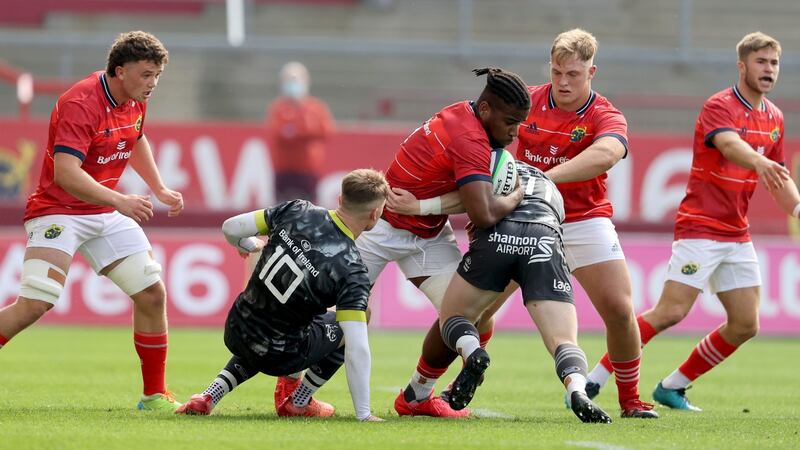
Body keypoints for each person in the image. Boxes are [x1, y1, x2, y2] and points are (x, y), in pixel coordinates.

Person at [390, 29, 657, 418]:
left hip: (583, 218)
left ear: (592, 72)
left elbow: (607, 153)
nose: (563, 82)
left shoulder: (605, 114)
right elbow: (477, 148)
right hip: (522, 217)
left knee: (619, 310)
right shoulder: (524, 101)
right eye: (557, 72)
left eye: (573, 75)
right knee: (472, 315)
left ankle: (630, 399)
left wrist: (545, 177)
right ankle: (428, 389)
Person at [586, 32, 800, 412]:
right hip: (700, 226)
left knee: (746, 324)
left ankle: (673, 386)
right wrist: (760, 160)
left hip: (737, 232)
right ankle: (595, 379)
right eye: (761, 62)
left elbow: (779, 180)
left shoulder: (775, 119)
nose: (769, 70)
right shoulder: (719, 105)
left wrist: (797, 209)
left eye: (774, 63)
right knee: (671, 311)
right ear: (742, 65)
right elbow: (730, 145)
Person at [0, 31, 184, 411]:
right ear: (120, 71)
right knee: (35, 304)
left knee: (152, 294)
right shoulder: (81, 102)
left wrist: (160, 188)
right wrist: (121, 200)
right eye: (146, 75)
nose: (152, 84)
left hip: (101, 211)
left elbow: (135, 139)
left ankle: (154, 395)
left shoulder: (133, 99)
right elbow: (66, 173)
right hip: (58, 210)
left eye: (157, 76)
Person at [354, 67, 529, 418]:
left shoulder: (464, 114)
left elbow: (468, 196)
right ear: (485, 110)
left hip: (427, 234)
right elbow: (482, 212)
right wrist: (515, 195)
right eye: (510, 122)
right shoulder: (471, 140)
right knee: (334, 314)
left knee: (473, 316)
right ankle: (296, 388)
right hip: (379, 227)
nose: (514, 133)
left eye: (519, 124)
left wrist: (421, 207)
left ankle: (417, 396)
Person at [176, 169, 388, 422]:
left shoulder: (298, 210)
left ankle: (208, 396)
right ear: (374, 215)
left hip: (236, 329)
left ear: (340, 199)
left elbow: (230, 227)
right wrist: (363, 413)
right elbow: (358, 347)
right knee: (361, 315)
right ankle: (300, 401)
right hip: (283, 355)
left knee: (271, 320)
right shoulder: (352, 269)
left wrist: (248, 245)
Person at [438, 161, 611, 423]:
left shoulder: (481, 163)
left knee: (453, 316)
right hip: (544, 236)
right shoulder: (549, 184)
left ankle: (473, 351)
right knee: (563, 339)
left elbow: (470, 206)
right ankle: (577, 388)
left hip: (499, 234)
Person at [266, 61, 335, 203]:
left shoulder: (316, 107)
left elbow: (325, 131)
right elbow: (279, 134)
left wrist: (296, 131)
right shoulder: (278, 107)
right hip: (283, 170)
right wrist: (304, 133)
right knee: (280, 210)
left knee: (309, 211)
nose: (293, 84)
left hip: (308, 171)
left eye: (296, 80)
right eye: (288, 80)